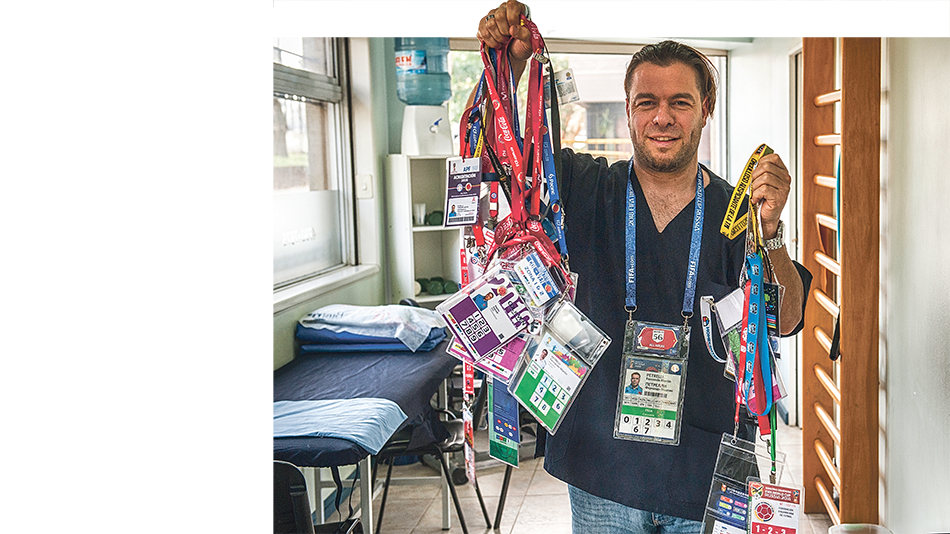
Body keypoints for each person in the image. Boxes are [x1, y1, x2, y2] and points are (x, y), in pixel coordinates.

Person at [474, 2, 811, 533]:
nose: (662, 117)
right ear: (629, 110)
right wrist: (508, 69)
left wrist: (769, 232)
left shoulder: (736, 214)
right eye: (647, 102)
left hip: (704, 474)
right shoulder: (583, 188)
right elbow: (495, 161)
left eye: (680, 102)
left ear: (706, 108)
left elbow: (786, 319)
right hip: (600, 470)